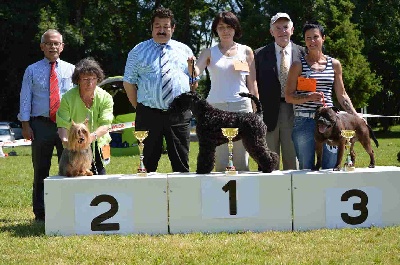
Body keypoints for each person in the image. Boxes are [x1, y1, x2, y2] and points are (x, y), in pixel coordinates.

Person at [123, 7, 196, 173]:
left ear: (173, 28)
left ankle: (183, 198)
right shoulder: (137, 51)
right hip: (148, 114)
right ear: (151, 27)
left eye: (166, 26)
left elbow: (193, 82)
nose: (161, 30)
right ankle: (146, 199)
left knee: (181, 164)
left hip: (178, 115)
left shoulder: (185, 50)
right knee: (146, 165)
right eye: (157, 26)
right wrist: (140, 108)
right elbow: (128, 83)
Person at [188, 11, 258, 172]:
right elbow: (196, 72)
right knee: (220, 159)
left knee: (241, 158)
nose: (225, 31)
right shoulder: (208, 52)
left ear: (235, 29)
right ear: (215, 30)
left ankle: (244, 194)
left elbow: (252, 82)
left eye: (229, 27)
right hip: (215, 107)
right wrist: (191, 66)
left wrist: (255, 108)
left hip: (241, 106)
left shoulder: (246, 51)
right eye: (221, 27)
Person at [285, 21, 360, 169]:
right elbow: (288, 96)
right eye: (308, 38)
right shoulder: (297, 65)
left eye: (315, 37)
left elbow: (342, 95)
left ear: (323, 38)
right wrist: (308, 97)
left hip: (331, 123)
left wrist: (356, 116)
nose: (312, 41)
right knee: (306, 168)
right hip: (304, 121)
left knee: (331, 167)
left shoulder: (334, 64)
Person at [18, 29, 75, 222]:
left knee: (68, 168)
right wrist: (25, 124)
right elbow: (25, 98)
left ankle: (68, 209)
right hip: (40, 125)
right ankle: (40, 213)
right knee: (40, 170)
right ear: (42, 46)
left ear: (62, 46)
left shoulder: (71, 70)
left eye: (56, 43)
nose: (53, 46)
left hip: (65, 125)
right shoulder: (31, 70)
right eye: (49, 43)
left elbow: (76, 99)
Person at [255, 13, 305, 170]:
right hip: (268, 114)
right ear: (271, 32)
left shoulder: (304, 53)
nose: (282, 31)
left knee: (293, 162)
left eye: (285, 27)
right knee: (268, 162)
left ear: (292, 30)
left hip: (295, 112)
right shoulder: (258, 54)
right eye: (278, 28)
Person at [57, 57, 114, 175]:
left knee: (100, 178)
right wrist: (65, 140)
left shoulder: (106, 97)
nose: (90, 83)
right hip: (74, 145)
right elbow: (62, 124)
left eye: (94, 79)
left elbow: (105, 124)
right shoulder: (68, 98)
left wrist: (90, 138)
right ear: (78, 80)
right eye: (86, 79)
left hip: (98, 143)